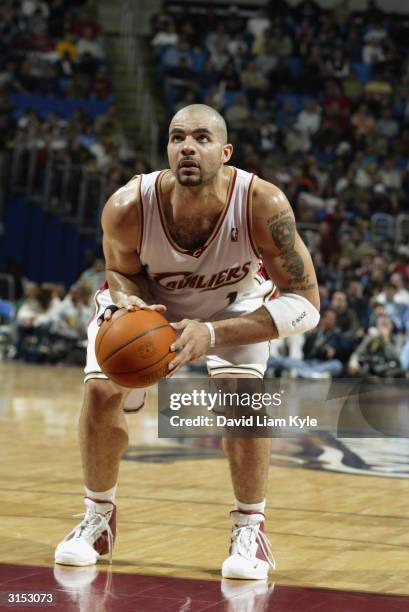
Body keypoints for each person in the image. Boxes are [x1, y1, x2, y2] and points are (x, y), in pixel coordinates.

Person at [54, 104, 320, 579]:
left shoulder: (263, 204)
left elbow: (305, 304)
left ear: (226, 151)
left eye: (201, 137)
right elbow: (120, 271)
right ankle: (98, 518)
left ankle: (250, 529)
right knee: (100, 390)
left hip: (232, 308)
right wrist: (128, 304)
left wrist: (213, 333)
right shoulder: (127, 205)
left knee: (244, 397)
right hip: (151, 304)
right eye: (178, 138)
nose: (188, 147)